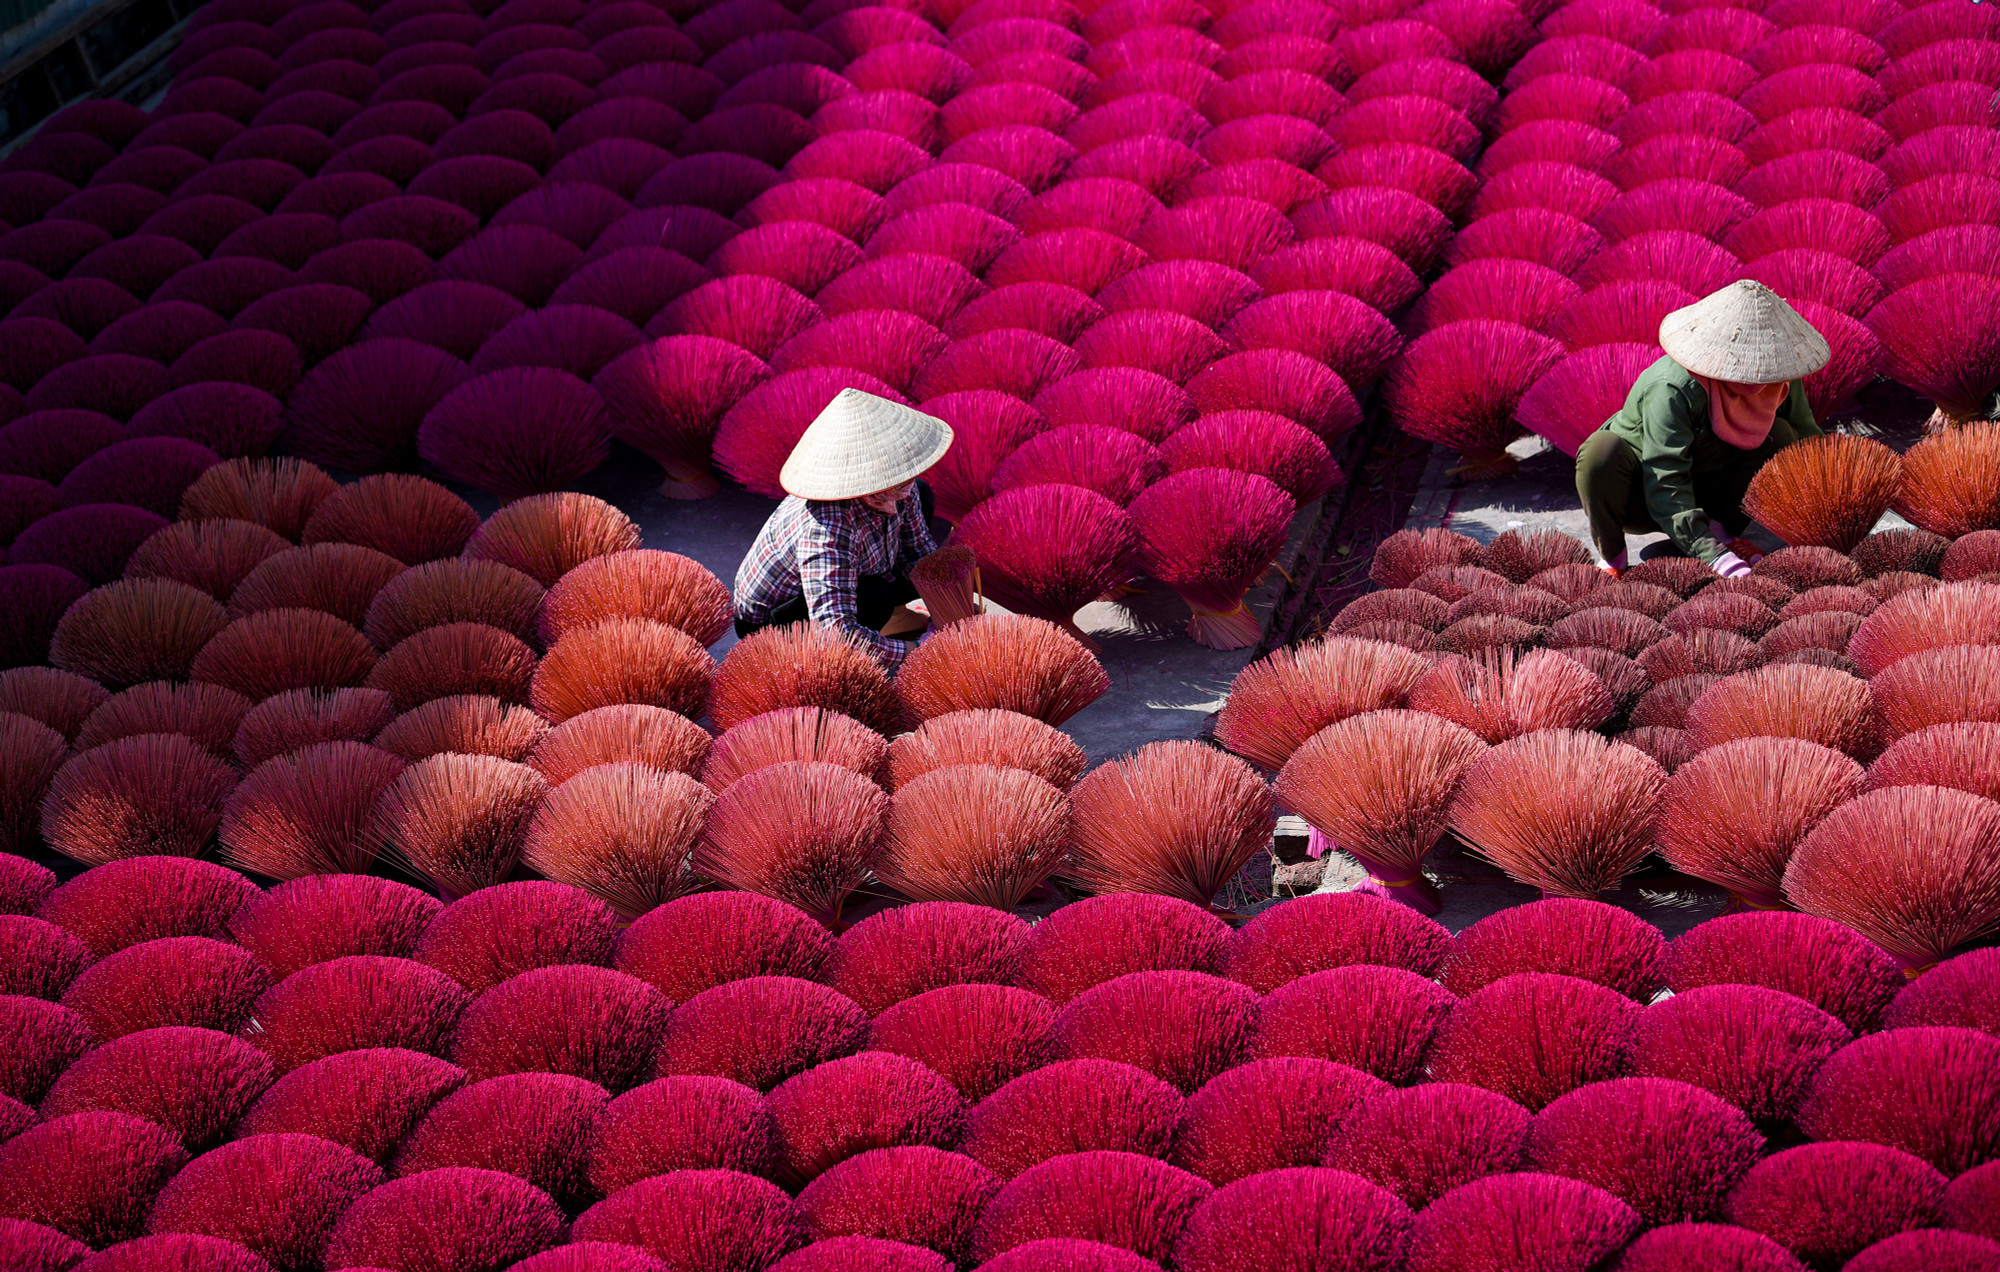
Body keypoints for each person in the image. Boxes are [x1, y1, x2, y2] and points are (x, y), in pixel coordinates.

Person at [1575, 280, 1831, 578]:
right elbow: (1665, 477)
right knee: (1600, 453)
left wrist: (1834, 511)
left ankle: (1721, 528)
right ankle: (1614, 560)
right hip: (1644, 496)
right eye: (1746, 367)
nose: (1760, 378)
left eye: (1766, 365)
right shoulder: (1672, 388)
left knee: (1783, 435)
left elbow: (1809, 443)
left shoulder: (1780, 373)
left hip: (1715, 491)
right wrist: (1713, 557)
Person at [733, 388, 954, 668]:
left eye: (903, 479)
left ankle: (888, 624)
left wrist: (948, 600)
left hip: (861, 573)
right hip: (776, 623)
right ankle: (826, 658)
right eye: (891, 487)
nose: (902, 491)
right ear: (862, 484)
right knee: (875, 596)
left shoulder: (902, 487)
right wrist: (918, 650)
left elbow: (916, 553)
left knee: (922, 493)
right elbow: (836, 633)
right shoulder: (826, 528)